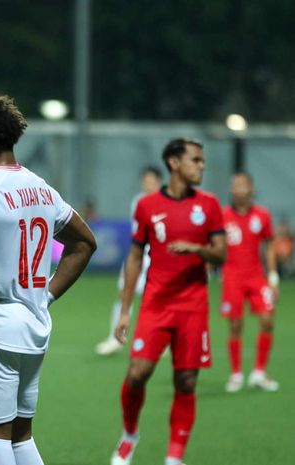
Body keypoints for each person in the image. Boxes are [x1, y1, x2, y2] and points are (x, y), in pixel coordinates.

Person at [0, 92, 97, 465]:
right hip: (33, 326)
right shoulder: (41, 188)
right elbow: (83, 242)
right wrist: (45, 295)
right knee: (20, 435)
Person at [110, 138, 226, 465]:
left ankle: (174, 457)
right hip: (156, 304)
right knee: (137, 373)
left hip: (193, 306)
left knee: (186, 380)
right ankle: (129, 435)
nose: (202, 166)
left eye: (202, 160)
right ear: (174, 163)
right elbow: (134, 257)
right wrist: (124, 312)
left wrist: (197, 248)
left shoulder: (210, 204)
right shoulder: (147, 206)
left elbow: (222, 253)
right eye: (196, 160)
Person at [221, 172, 279, 392]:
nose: (239, 189)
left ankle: (259, 372)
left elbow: (270, 245)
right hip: (232, 278)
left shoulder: (262, 215)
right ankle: (236, 374)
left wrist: (272, 276)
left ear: (251, 189)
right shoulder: (223, 215)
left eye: (243, 185)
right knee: (235, 325)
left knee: (267, 320)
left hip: (256, 277)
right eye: (234, 185)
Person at [96, 166, 162, 355]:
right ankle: (115, 338)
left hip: (158, 256)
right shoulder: (138, 201)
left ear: (158, 181)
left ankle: (162, 340)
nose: (148, 184)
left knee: (157, 299)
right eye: (145, 180)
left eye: (151, 180)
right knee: (124, 293)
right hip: (139, 254)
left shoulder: (165, 201)